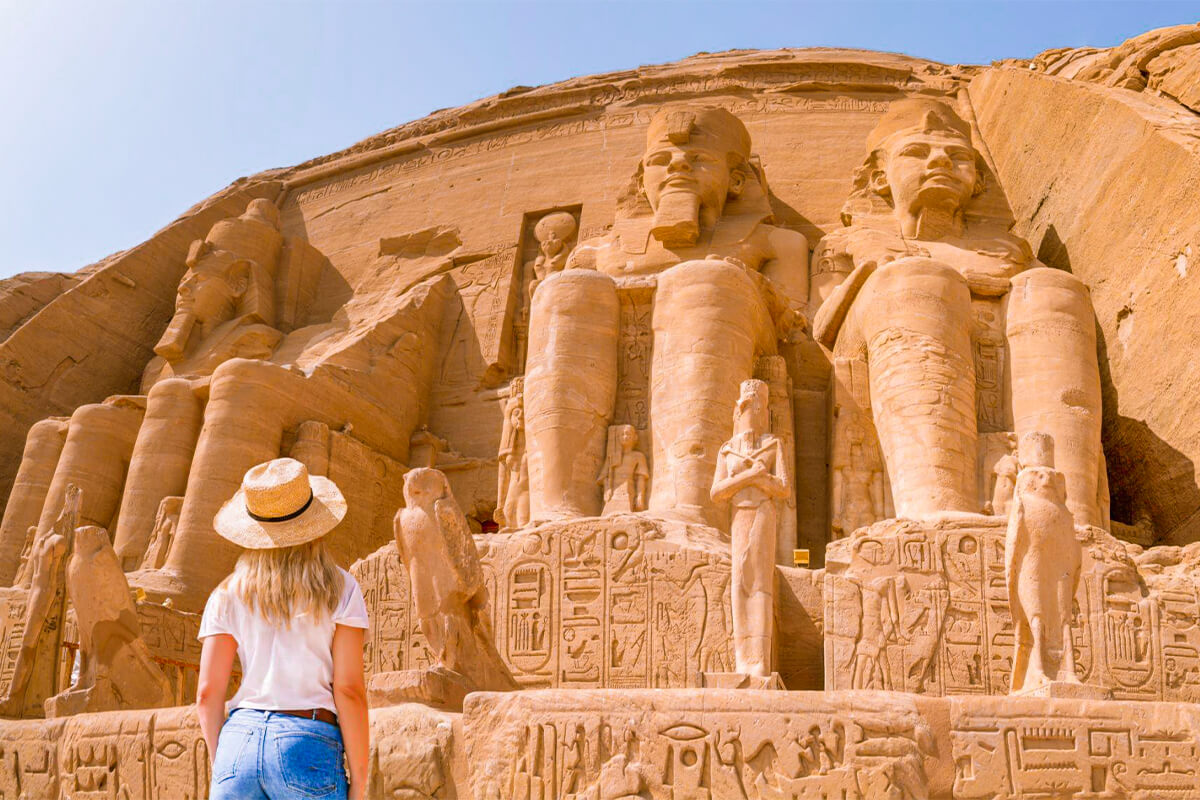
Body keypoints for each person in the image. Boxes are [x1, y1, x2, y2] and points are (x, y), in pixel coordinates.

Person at [195, 458, 370, 800]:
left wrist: (227, 763)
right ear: (316, 526)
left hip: (238, 738)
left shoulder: (228, 592)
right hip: (306, 741)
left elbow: (206, 694)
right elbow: (349, 690)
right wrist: (361, 779)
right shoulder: (341, 588)